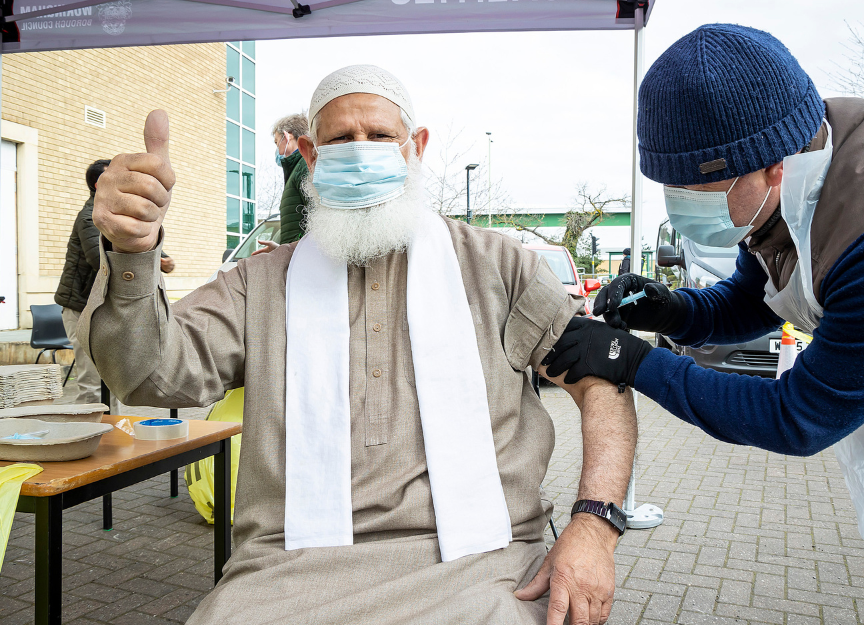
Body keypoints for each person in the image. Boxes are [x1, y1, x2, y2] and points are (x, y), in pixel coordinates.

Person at [83, 64, 637, 625]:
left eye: (380, 136)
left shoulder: (498, 267)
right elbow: (148, 375)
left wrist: (594, 524)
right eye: (341, 138)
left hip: (481, 567)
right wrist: (133, 254)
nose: (361, 150)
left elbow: (602, 382)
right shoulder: (260, 283)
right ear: (309, 154)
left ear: (415, 147)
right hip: (286, 570)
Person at [542, 24, 864, 622]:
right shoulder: (786, 187)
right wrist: (669, 309)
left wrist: (636, 362)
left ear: (774, 167)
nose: (683, 205)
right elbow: (756, 298)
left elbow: (798, 417)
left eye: (700, 187)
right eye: (670, 187)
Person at [53, 159, 109, 404]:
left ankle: (114, 434)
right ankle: (87, 438)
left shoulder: (109, 216)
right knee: (92, 386)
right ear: (99, 184)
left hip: (100, 308)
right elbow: (100, 259)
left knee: (111, 383)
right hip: (80, 309)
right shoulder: (89, 218)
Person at [255, 113, 310, 255]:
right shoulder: (297, 168)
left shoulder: (304, 167)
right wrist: (281, 249)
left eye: (276, 142)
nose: (277, 150)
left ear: (287, 136)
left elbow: (315, 222)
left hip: (303, 262)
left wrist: (289, 251)